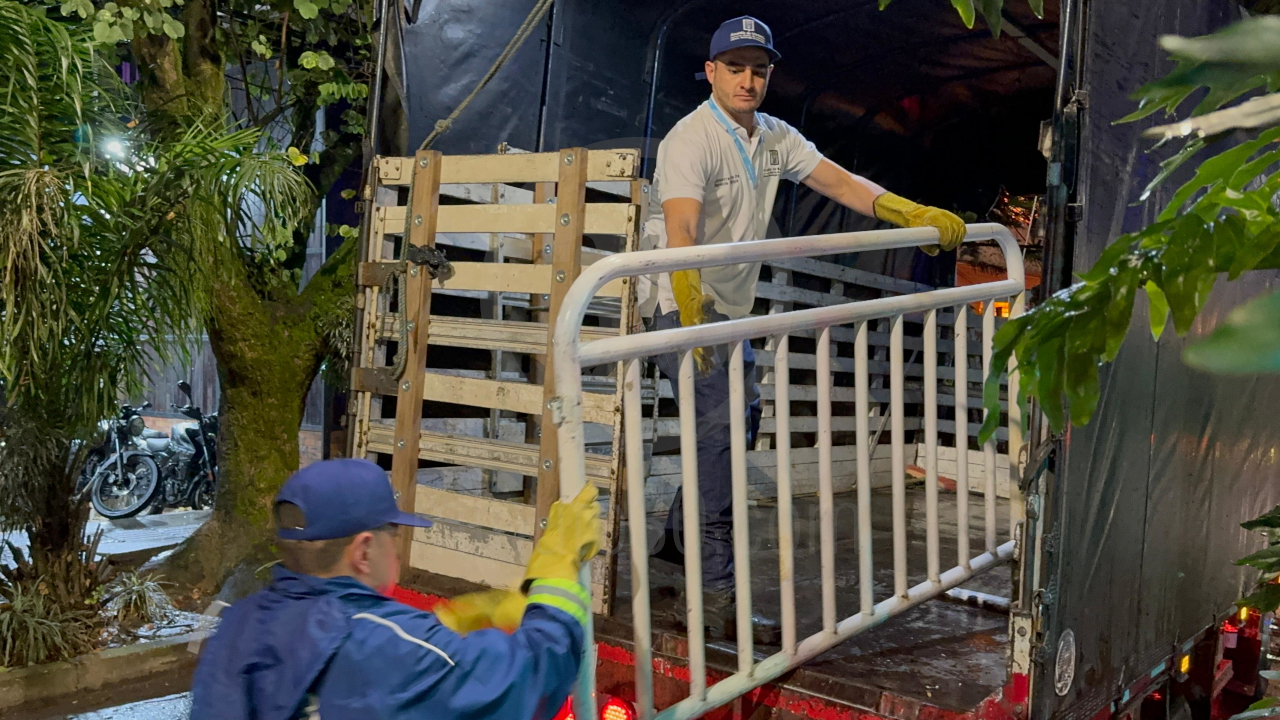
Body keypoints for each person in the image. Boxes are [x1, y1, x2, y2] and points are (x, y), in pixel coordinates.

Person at [640, 15, 966, 645]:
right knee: (719, 446)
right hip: (684, 305)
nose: (748, 80)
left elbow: (837, 180)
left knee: (734, 432)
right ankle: (711, 601)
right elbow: (681, 225)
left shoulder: (773, 137)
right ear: (711, 72)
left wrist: (905, 210)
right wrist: (688, 307)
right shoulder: (691, 140)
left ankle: (674, 555)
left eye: (759, 70)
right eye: (735, 68)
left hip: (729, 312)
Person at [190, 458, 600, 720]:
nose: (397, 548)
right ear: (364, 550)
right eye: (392, 533)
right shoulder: (394, 648)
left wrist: (440, 631)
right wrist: (556, 568)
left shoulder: (236, 625)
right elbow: (536, 676)